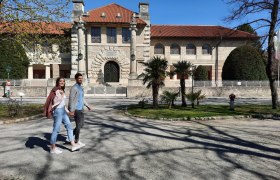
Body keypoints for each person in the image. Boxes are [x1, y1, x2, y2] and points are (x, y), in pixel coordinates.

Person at [44, 77, 82, 154]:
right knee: (56, 129)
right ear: (57, 82)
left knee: (69, 126)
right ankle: (53, 148)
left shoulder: (61, 90)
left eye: (63, 81)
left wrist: (68, 112)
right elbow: (55, 102)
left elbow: (63, 104)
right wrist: (61, 96)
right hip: (58, 111)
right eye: (60, 81)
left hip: (63, 111)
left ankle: (73, 144)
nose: (62, 82)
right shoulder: (56, 90)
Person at [68, 73, 91, 147]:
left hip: (81, 109)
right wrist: (71, 110)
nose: (81, 79)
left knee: (81, 124)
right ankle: (76, 140)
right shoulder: (74, 88)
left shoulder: (81, 87)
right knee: (78, 125)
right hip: (76, 109)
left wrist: (87, 105)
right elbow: (71, 100)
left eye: (82, 78)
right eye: (79, 78)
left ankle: (70, 135)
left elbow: (82, 98)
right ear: (76, 79)